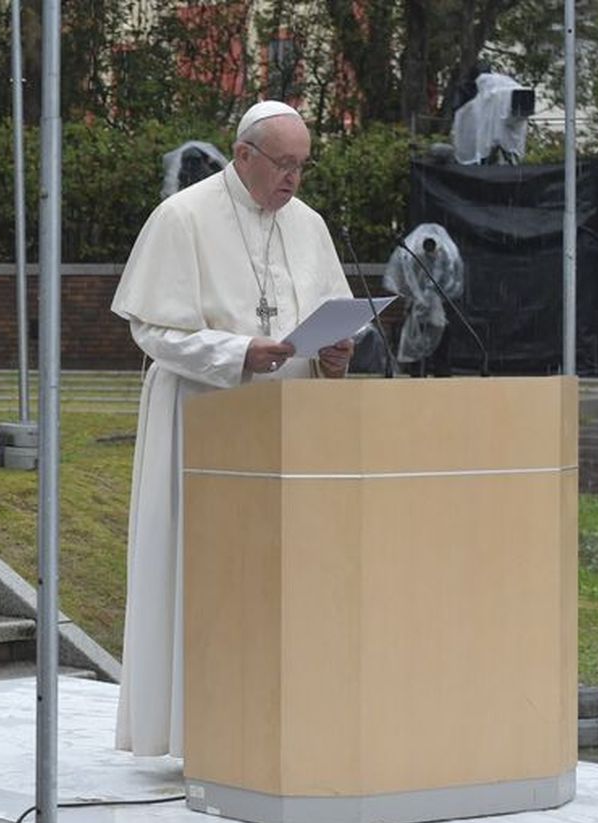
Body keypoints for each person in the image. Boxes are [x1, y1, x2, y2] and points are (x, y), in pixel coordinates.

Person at [110, 101, 356, 761]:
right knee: (204, 575)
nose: (293, 181)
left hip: (288, 432)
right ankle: (199, 731)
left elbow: (330, 315)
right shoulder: (182, 216)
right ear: (244, 154)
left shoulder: (308, 226)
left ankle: (284, 722)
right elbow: (151, 328)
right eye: (283, 164)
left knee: (284, 580)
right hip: (203, 419)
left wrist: (335, 354)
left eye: (302, 167)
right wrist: (236, 354)